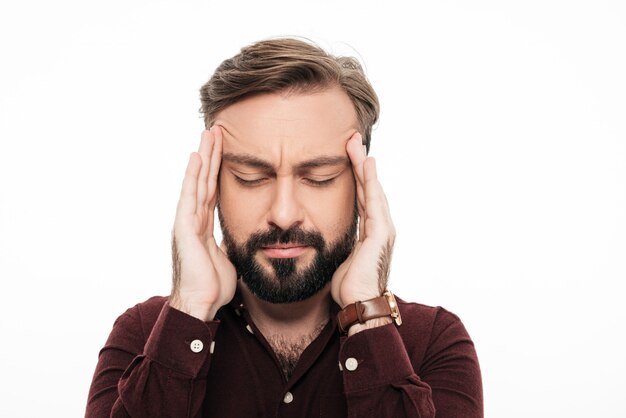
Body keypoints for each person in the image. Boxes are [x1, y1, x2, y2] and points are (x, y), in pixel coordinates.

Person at [86, 38, 483, 417]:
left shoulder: (432, 343)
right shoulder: (143, 336)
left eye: (320, 176)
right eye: (250, 176)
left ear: (362, 189)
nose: (284, 213)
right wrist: (189, 307)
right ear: (213, 184)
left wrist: (368, 315)